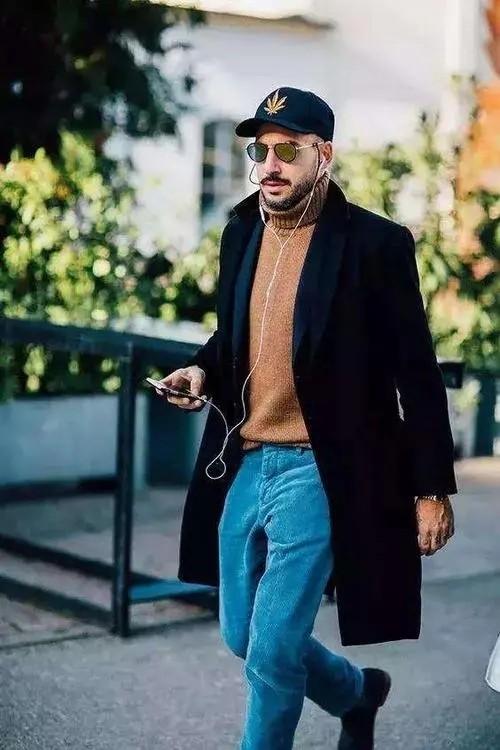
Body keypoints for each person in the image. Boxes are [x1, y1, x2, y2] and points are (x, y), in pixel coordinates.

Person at [156, 87, 457, 749]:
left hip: (321, 467)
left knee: (271, 651)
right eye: (260, 150)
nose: (271, 164)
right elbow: (236, 335)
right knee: (243, 636)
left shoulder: (374, 245)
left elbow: (416, 371)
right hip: (245, 457)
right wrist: (201, 370)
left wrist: (432, 488)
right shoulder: (241, 229)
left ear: (325, 155)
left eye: (288, 150)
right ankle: (355, 693)